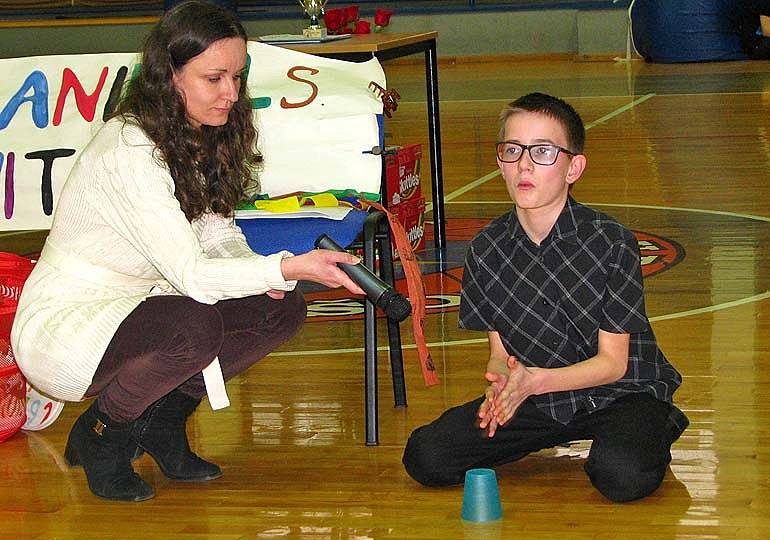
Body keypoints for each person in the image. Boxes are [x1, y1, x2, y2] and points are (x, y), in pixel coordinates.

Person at [10, 0, 365, 502]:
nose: (231, 94)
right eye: (214, 78)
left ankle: (162, 420)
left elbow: (219, 239)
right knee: (193, 325)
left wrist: (278, 277)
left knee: (279, 309)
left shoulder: (196, 137)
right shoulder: (130, 150)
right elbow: (194, 275)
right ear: (170, 77)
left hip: (146, 306)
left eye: (238, 77)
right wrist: (287, 264)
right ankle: (102, 437)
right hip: (69, 325)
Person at [402, 92, 689, 503]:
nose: (524, 164)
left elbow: (613, 363)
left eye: (543, 151)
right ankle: (556, 432)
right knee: (427, 457)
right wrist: (503, 383)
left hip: (624, 390)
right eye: (512, 150)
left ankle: (653, 426)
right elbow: (500, 351)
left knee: (623, 477)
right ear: (499, 160)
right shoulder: (487, 248)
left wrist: (533, 382)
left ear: (574, 167)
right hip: (540, 395)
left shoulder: (611, 242)